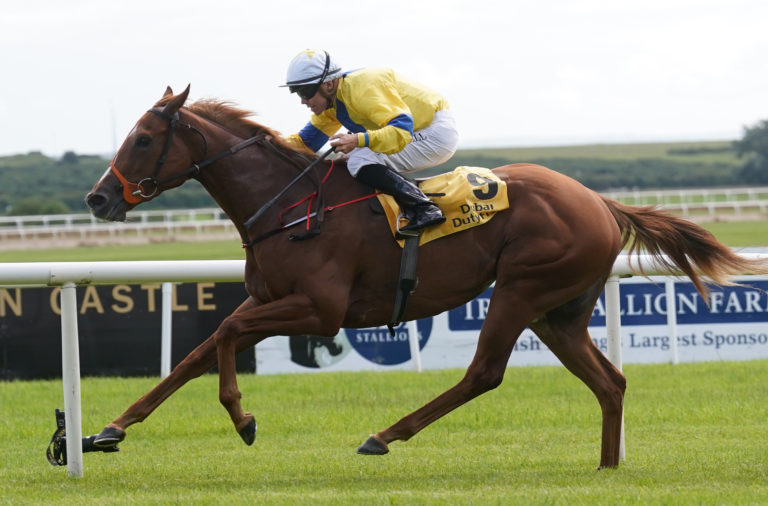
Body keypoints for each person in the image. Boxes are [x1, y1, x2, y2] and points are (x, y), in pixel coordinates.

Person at [282, 49, 459, 232]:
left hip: (434, 131)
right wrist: (262, 142)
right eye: (297, 93)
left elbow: (401, 130)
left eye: (305, 91)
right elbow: (305, 144)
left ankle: (424, 208)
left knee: (359, 159)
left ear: (328, 85)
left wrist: (357, 140)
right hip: (419, 130)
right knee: (351, 160)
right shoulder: (332, 103)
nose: (303, 101)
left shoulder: (361, 88)